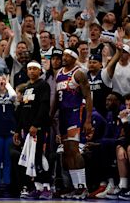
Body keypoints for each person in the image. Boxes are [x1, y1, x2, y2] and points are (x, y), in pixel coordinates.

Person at [53, 48, 93, 200]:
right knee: (66, 153)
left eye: (67, 56)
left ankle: (83, 187)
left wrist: (88, 120)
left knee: (74, 150)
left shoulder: (79, 73)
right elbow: (57, 98)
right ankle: (75, 187)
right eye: (63, 55)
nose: (63, 58)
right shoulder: (59, 74)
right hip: (63, 115)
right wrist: (51, 115)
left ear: (74, 58)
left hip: (75, 113)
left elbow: (88, 96)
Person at [14, 61, 52, 200]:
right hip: (27, 131)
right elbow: (24, 111)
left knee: (41, 157)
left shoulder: (43, 85)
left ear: (40, 71)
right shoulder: (28, 87)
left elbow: (44, 107)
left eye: (34, 69)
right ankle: (38, 187)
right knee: (32, 159)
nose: (31, 71)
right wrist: (18, 130)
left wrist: (36, 125)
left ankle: (47, 187)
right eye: (29, 69)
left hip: (39, 129)